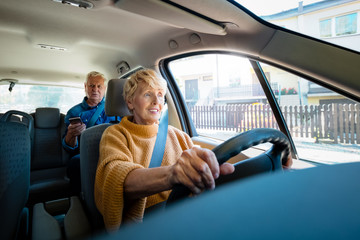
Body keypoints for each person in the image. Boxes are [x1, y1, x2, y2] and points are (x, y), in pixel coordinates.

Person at [63, 71, 116, 194]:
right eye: (92, 86)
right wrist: (71, 135)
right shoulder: (74, 112)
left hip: (113, 150)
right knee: (75, 162)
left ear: (105, 89)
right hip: (87, 153)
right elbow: (69, 148)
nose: (95, 90)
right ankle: (79, 200)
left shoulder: (115, 108)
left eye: (99, 86)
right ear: (85, 87)